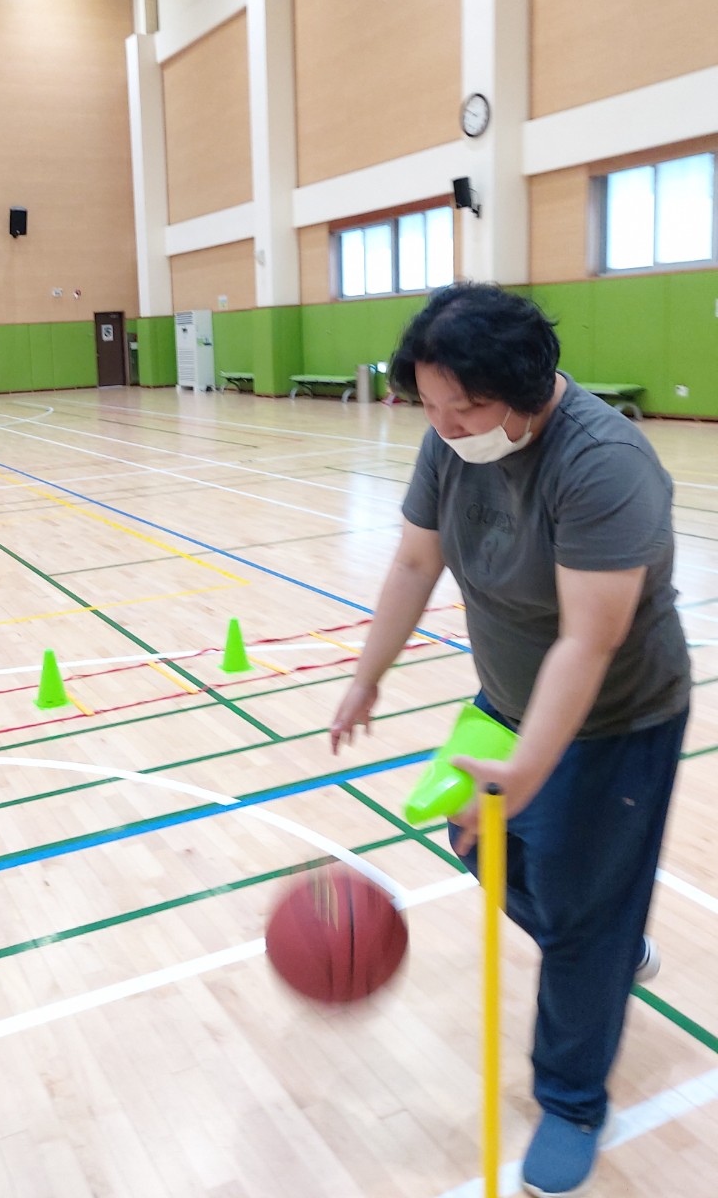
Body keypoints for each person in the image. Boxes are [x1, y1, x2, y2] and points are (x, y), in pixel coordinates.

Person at [329, 283, 690, 1198]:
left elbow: (588, 639)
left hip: (615, 719)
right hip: (504, 699)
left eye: (466, 407)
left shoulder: (603, 463)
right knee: (478, 848)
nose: (445, 426)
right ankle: (609, 948)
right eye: (429, 405)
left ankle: (572, 1101)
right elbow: (416, 559)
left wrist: (532, 767)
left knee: (577, 916)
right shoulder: (450, 439)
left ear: (529, 389)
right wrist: (367, 676)